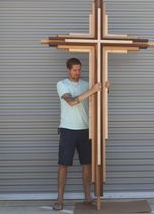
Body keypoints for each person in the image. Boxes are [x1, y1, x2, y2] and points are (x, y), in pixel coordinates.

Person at [53, 58, 102, 211]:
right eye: (74, 70)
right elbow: (72, 101)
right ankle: (59, 199)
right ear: (68, 70)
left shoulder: (86, 84)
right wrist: (93, 90)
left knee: (87, 164)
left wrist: (105, 87)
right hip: (67, 129)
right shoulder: (62, 84)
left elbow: (101, 95)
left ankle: (88, 197)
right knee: (63, 165)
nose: (77, 72)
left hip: (85, 130)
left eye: (79, 69)